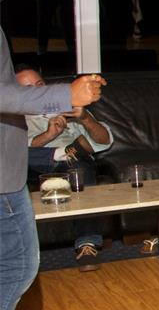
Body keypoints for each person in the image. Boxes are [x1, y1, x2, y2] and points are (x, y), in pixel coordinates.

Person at [1, 0, 106, 310]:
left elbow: (102, 141)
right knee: (18, 267)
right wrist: (66, 93)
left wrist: (78, 114)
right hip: (6, 174)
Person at [15, 66, 114, 271]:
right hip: (32, 167)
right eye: (28, 89)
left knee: (79, 168)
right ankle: (64, 153)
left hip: (73, 165)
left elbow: (105, 140)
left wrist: (85, 118)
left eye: (40, 85)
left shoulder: (67, 107)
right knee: (14, 154)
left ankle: (87, 245)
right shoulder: (13, 119)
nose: (37, 92)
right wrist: (49, 136)